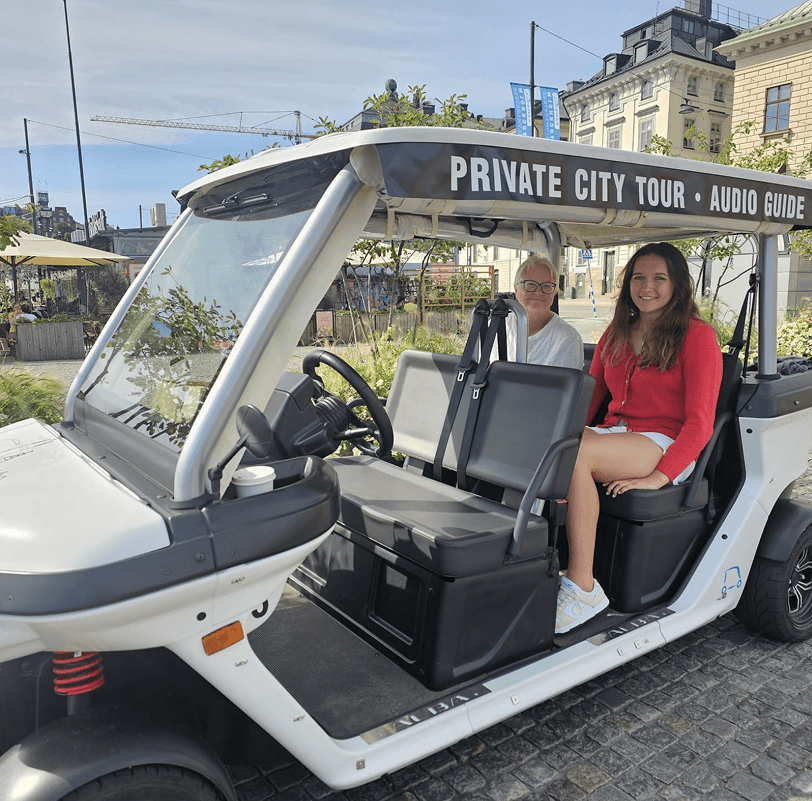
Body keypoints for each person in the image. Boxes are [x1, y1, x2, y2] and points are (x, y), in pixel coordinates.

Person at [556, 242, 722, 634]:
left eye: (659, 278)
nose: (647, 286)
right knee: (553, 444)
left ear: (678, 285)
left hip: (664, 443)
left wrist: (658, 476)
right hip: (619, 434)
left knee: (576, 454)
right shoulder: (617, 333)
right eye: (638, 277)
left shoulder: (697, 337)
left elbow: (700, 424)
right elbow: (589, 400)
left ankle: (583, 588)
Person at [506, 255, 583, 370]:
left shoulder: (568, 338)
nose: (538, 292)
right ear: (516, 289)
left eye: (547, 286)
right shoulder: (495, 328)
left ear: (554, 293)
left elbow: (564, 386)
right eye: (530, 284)